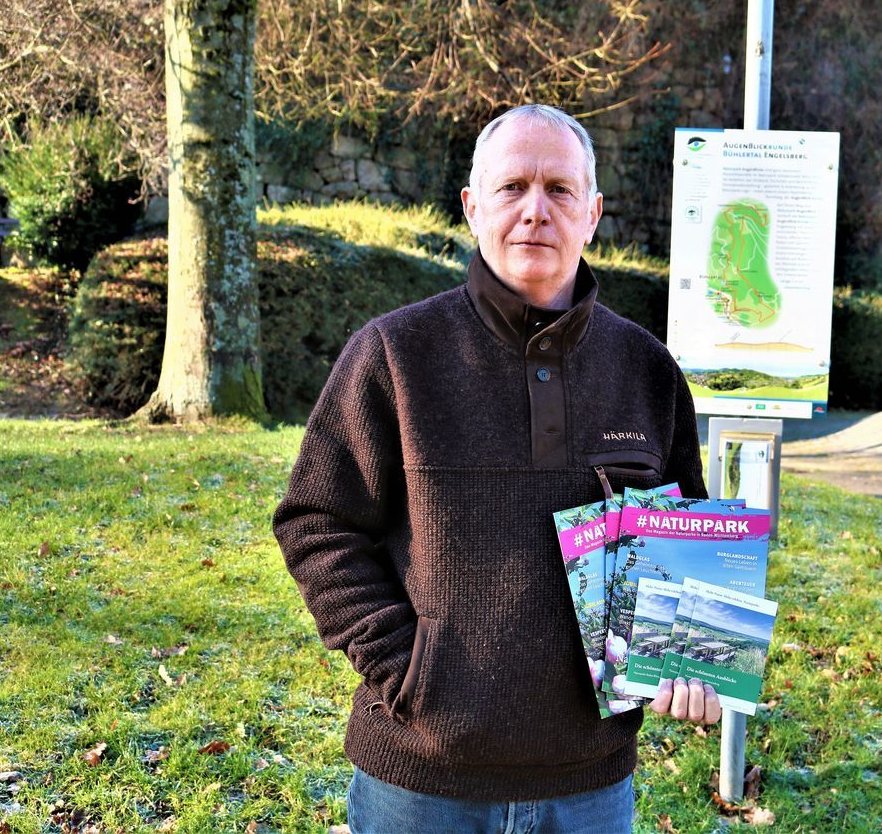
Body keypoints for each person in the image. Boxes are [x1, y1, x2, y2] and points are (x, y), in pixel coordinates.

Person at [273, 104, 719, 834]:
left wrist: (686, 660)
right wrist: (407, 670)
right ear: (473, 207)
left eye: (560, 189)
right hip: (420, 781)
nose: (535, 210)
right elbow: (316, 521)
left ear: (592, 214)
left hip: (592, 785)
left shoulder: (648, 370)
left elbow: (683, 545)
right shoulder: (394, 354)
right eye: (512, 187)